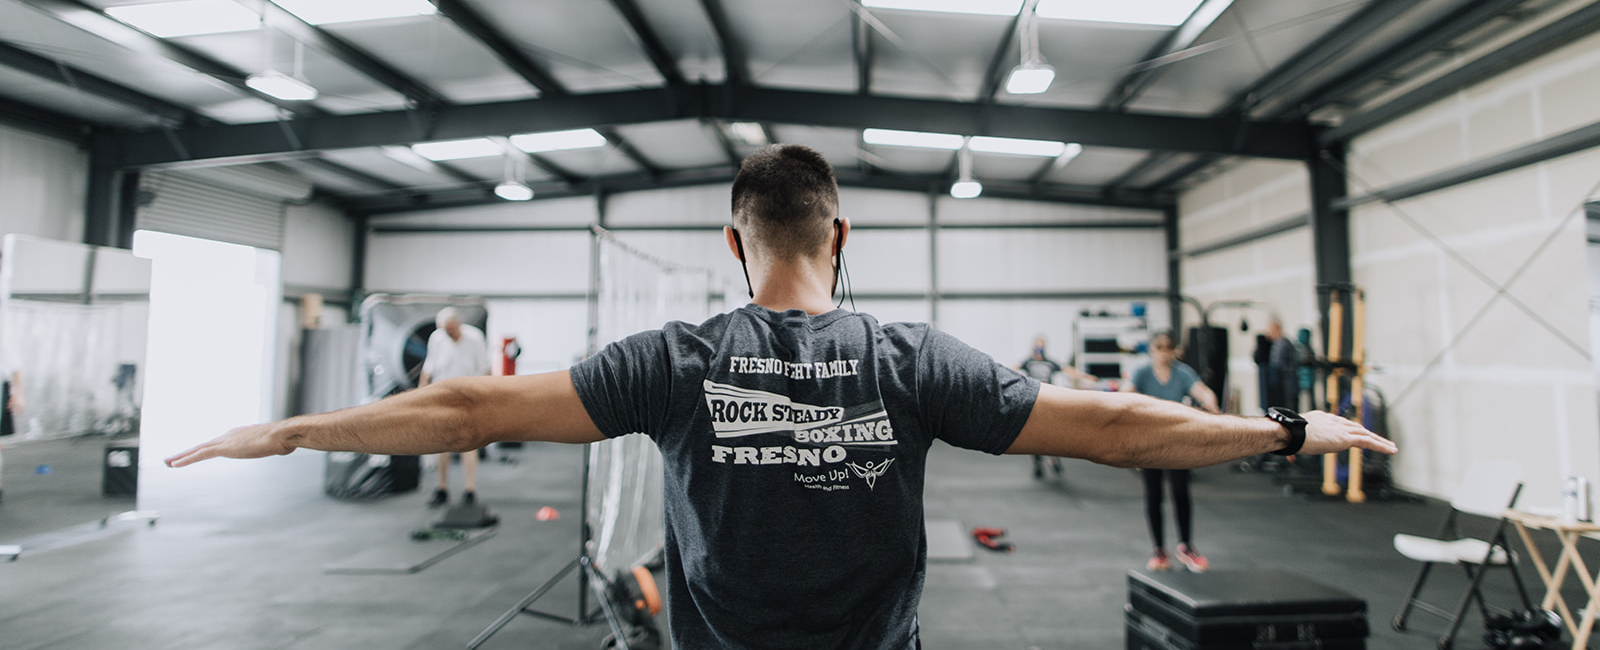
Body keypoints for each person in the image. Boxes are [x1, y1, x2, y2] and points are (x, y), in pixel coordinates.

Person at [166, 144, 1396, 650]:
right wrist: (1289, 424)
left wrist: (289, 426)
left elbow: (466, 412)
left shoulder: (675, 357)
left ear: (733, 239)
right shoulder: (913, 357)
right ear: (840, 234)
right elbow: (1122, 428)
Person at [1121, 330, 1221, 573]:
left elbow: (1203, 391)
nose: (1164, 352)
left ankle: (1186, 546)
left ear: (1174, 350)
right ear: (1152, 350)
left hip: (1176, 441)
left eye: (1168, 347)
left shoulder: (1182, 372)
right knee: (1153, 494)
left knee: (1180, 492)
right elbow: (1126, 394)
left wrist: (1214, 409)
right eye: (1159, 347)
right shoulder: (1143, 372)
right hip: (1149, 442)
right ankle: (1158, 550)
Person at [419, 307, 490, 508]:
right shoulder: (437, 338)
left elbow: (485, 368)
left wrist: (487, 400)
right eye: (445, 330)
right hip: (443, 396)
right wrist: (420, 394)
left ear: (459, 324)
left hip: (469, 396)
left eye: (451, 329)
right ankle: (442, 488)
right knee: (444, 444)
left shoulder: (475, 338)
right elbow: (429, 367)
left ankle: (469, 490)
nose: (449, 333)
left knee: (469, 443)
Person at [1018, 336, 1095, 479]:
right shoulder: (1028, 362)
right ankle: (1038, 464)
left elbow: (1067, 370)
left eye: (1041, 345)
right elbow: (1012, 368)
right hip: (1032, 400)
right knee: (1033, 435)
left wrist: (1085, 376)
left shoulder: (1049, 362)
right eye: (1037, 345)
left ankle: (1054, 460)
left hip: (1047, 399)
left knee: (1051, 432)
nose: (1039, 348)